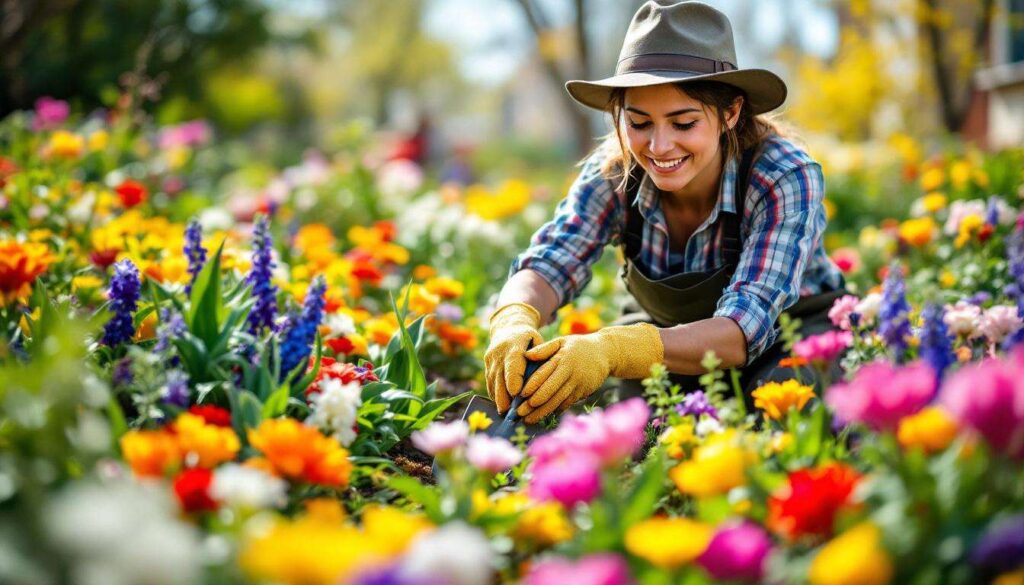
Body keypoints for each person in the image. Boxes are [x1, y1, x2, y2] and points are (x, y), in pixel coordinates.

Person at [484, 0, 847, 424]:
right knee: (620, 424)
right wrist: (514, 317)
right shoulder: (616, 171)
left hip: (787, 335)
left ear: (730, 112)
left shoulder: (781, 175)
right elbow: (553, 259)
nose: (658, 147)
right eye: (639, 123)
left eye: (683, 123)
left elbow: (742, 330)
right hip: (667, 340)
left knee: (784, 412)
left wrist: (615, 349)